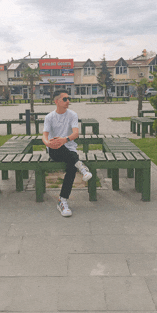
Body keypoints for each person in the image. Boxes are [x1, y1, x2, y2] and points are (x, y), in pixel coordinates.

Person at [42, 89, 92, 217]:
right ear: (57, 101)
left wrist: (64, 139)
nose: (68, 101)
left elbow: (75, 133)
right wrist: (48, 143)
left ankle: (62, 200)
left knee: (71, 165)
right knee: (57, 145)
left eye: (68, 98)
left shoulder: (72, 115)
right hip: (54, 150)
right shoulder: (49, 117)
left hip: (69, 149)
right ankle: (81, 166)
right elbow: (44, 136)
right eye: (65, 99)